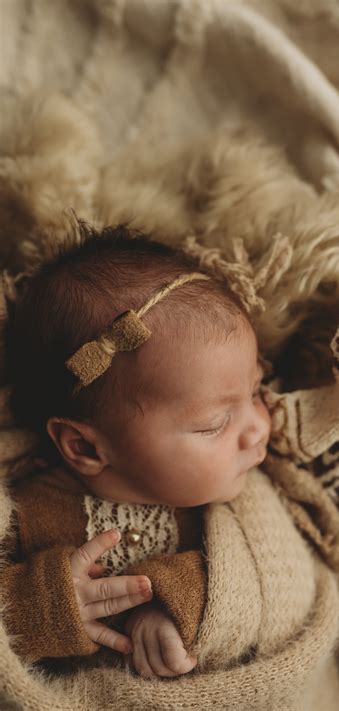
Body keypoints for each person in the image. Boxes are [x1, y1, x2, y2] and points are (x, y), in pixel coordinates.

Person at [1, 224, 271, 679]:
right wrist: (44, 605)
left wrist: (171, 602)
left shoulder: (226, 514)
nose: (259, 427)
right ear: (84, 446)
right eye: (214, 423)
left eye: (257, 390)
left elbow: (265, 575)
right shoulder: (26, 515)